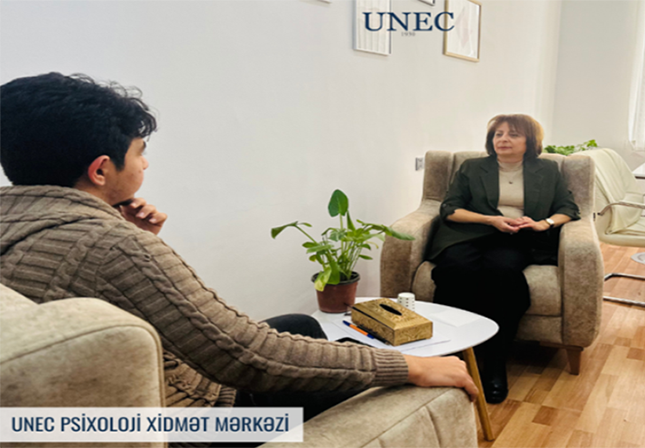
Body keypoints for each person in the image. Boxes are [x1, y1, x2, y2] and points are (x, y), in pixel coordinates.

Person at [0, 73, 477, 445]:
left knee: (300, 324)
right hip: (187, 426)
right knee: (417, 376)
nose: (145, 163)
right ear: (101, 169)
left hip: (86, 412)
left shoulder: (24, 222)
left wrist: (134, 235)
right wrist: (408, 367)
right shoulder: (108, 245)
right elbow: (250, 357)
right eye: (139, 152)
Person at [428, 114, 580, 404]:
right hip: (468, 233)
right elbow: (449, 208)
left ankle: (495, 361)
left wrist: (543, 224)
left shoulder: (547, 170)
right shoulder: (472, 167)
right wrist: (490, 219)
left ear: (530, 141)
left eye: (513, 134)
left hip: (517, 237)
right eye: (498, 134)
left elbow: (568, 208)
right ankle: (452, 354)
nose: (503, 139)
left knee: (502, 273)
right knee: (456, 269)